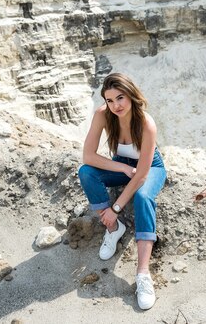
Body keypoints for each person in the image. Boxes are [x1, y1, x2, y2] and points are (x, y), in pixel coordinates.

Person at [78, 73, 167, 310]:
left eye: (120, 97)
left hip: (151, 168)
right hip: (123, 165)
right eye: (109, 100)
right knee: (86, 172)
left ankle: (143, 275)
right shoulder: (102, 116)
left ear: (131, 95)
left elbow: (142, 175)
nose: (115, 105)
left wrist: (115, 208)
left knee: (142, 195)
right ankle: (114, 229)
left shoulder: (146, 123)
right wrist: (122, 167)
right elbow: (88, 157)